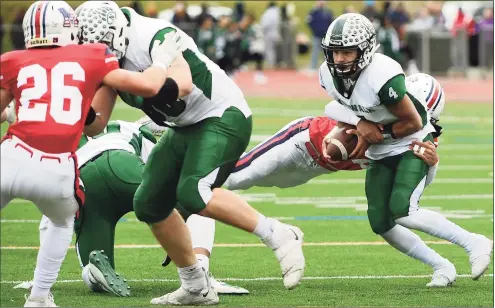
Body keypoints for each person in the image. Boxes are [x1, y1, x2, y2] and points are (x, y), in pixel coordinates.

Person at [76, 1, 304, 305]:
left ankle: (279, 234)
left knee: (192, 191)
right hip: (183, 127)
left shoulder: (154, 35)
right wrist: (76, 106)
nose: (99, 55)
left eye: (102, 46)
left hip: (221, 114)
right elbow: (96, 124)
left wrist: (146, 79)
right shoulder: (107, 59)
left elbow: (182, 85)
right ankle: (196, 285)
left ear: (117, 32)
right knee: (148, 203)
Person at [0, 1, 182, 306]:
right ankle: (40, 296)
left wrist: (9, 112)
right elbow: (148, 85)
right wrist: (162, 61)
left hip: (11, 156)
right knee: (61, 222)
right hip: (55, 167)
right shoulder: (92, 56)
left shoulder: (12, 59)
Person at [319, 13, 492, 287]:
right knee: (379, 220)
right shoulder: (327, 75)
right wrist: (360, 123)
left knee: (403, 209)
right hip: (381, 148)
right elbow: (335, 107)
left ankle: (474, 242)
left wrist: (377, 133)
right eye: (335, 51)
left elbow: (415, 122)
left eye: (347, 51)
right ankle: (441, 265)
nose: (339, 59)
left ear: (364, 50)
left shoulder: (383, 75)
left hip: (411, 141)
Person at [11, 118, 248, 296]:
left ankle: (93, 271)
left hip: (84, 180)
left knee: (93, 275)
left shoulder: (72, 140)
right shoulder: (137, 133)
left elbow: (53, 217)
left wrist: (39, 275)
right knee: (196, 198)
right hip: (120, 163)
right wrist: (177, 224)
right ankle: (201, 269)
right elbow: (164, 176)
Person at [225, 73, 443, 191]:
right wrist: (358, 121)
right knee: (231, 179)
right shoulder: (377, 103)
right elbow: (331, 107)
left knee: (244, 185)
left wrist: (432, 165)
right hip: (302, 140)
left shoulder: (414, 138)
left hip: (316, 169)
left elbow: (412, 186)